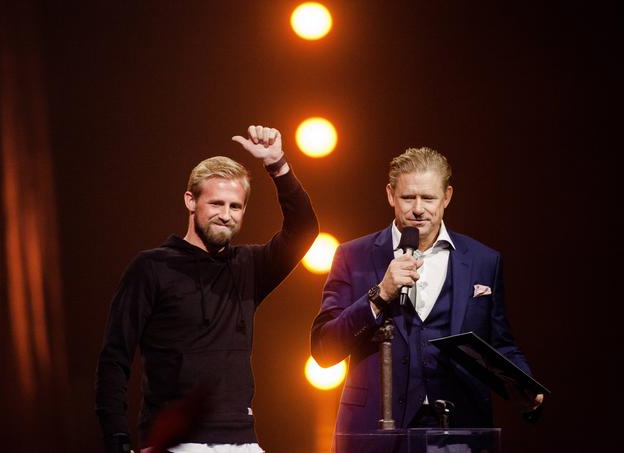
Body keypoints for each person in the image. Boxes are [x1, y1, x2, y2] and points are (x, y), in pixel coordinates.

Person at [95, 125, 319, 453]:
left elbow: (304, 230)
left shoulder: (249, 265)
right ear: (190, 200)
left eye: (235, 207)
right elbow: (115, 358)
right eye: (216, 204)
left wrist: (278, 165)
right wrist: (116, 438)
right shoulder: (151, 268)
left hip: (242, 439)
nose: (226, 216)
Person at [310, 147, 543, 441]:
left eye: (428, 198)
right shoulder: (352, 256)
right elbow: (323, 349)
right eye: (408, 198)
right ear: (390, 195)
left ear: (447, 197)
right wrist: (379, 295)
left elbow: (501, 343)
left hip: (459, 426)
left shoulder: (484, 260)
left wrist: (527, 385)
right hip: (376, 428)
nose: (418, 208)